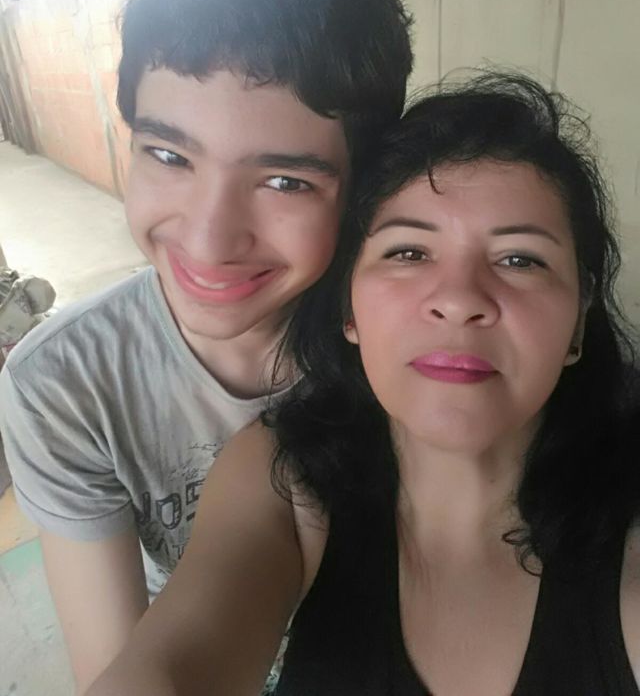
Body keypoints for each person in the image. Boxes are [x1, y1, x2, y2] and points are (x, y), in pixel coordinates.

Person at [87, 72, 640, 696]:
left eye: (520, 260)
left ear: (578, 322)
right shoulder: (284, 479)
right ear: (348, 310)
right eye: (409, 253)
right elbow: (174, 664)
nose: (460, 300)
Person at [0, 0, 413, 692]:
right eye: (169, 155)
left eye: (284, 180)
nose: (211, 238)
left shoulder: (407, 338)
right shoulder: (64, 385)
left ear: (361, 187)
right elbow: (124, 667)